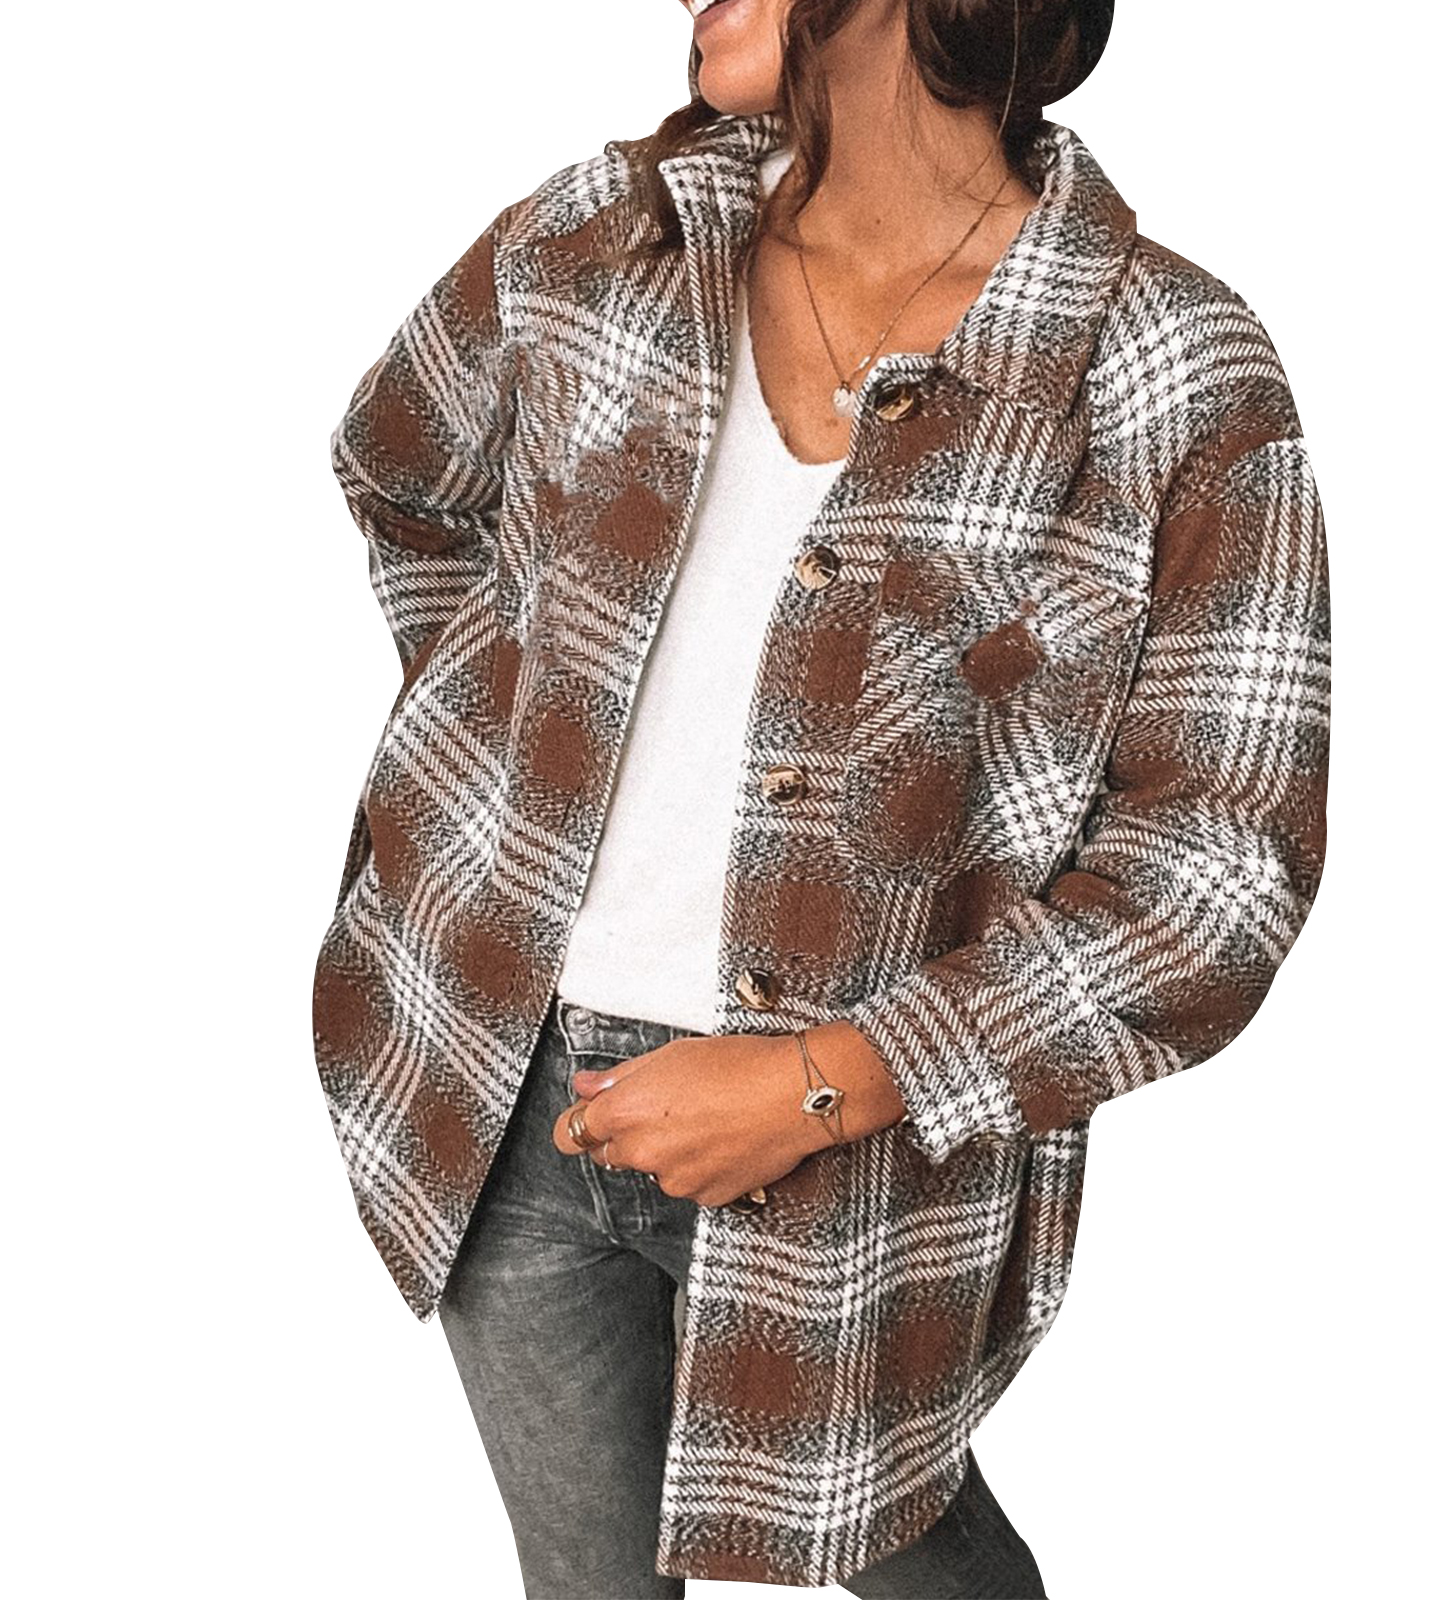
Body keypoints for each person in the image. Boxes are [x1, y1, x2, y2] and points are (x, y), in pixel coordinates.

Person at [309, 1, 1331, 1595]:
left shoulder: (1161, 367)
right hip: (493, 1079)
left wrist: (832, 1078)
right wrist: (507, 776)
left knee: (930, 1569)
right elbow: (404, 472)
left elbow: (1218, 871)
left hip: (862, 1163)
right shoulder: (603, 236)